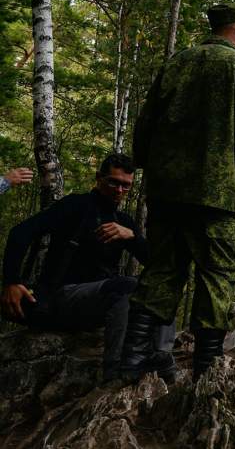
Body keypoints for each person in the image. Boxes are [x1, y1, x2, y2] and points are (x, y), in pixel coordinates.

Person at [123, 2, 235, 383]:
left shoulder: (177, 63)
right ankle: (206, 368)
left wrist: (150, 165)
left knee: (161, 271)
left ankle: (129, 364)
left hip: (165, 194)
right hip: (217, 196)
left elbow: (143, 129)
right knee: (217, 275)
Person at [0, 154, 174, 381]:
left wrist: (131, 236)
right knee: (126, 286)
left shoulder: (124, 221)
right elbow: (20, 233)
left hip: (102, 304)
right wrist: (12, 282)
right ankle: (116, 372)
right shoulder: (75, 205)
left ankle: (162, 358)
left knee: (162, 284)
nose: (119, 190)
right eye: (113, 182)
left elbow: (158, 264)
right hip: (61, 296)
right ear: (98, 178)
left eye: (126, 186)